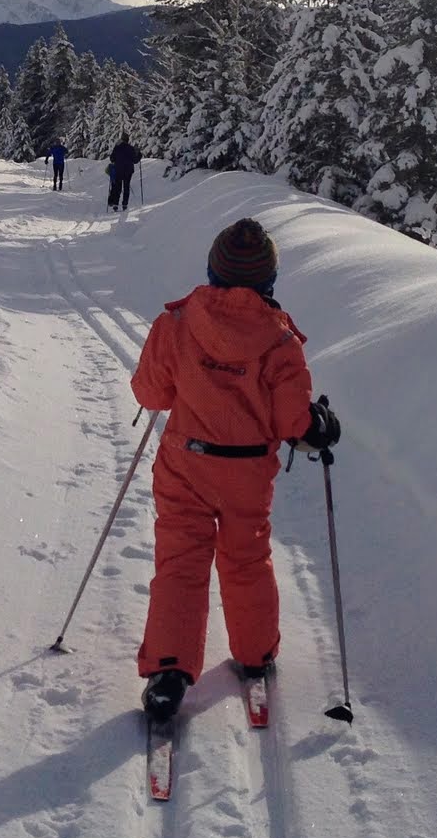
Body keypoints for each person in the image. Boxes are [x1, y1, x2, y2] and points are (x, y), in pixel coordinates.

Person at [128, 218, 341, 722]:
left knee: (181, 561)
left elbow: (150, 393)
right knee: (246, 558)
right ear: (268, 280)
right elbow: (293, 423)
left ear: (213, 271)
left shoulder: (177, 323)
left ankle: (168, 671)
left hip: (186, 465)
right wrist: (320, 425)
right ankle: (255, 654)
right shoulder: (280, 341)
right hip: (246, 474)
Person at [106, 136, 142, 211]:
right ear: (128, 140)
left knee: (117, 187)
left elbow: (112, 159)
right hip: (128, 171)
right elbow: (135, 160)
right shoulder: (131, 148)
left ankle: (115, 204)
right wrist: (139, 155)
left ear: (122, 140)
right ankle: (124, 204)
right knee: (126, 187)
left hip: (118, 170)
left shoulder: (117, 147)